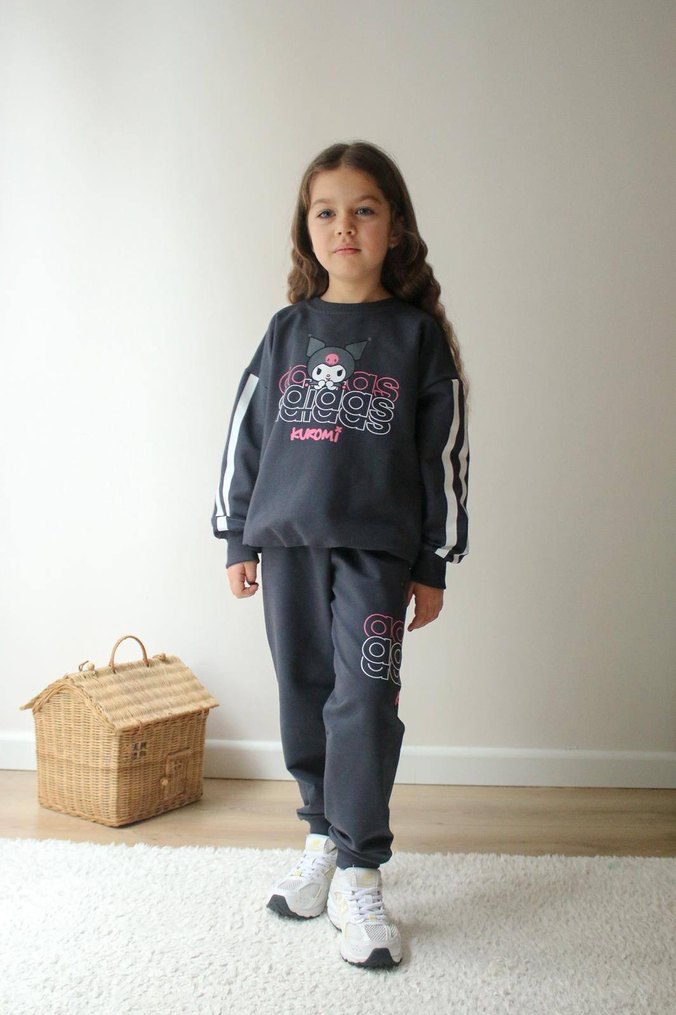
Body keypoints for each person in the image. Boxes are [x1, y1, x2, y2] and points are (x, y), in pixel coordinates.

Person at [211, 140, 470, 969]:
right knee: (304, 690)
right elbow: (246, 438)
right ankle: (321, 835)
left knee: (365, 699)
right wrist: (237, 533)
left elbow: (442, 456)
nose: (344, 225)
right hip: (286, 543)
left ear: (394, 226)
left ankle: (361, 869)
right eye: (326, 211)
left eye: (364, 209)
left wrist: (433, 560)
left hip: (377, 551)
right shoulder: (286, 331)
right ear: (306, 229)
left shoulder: (416, 337)